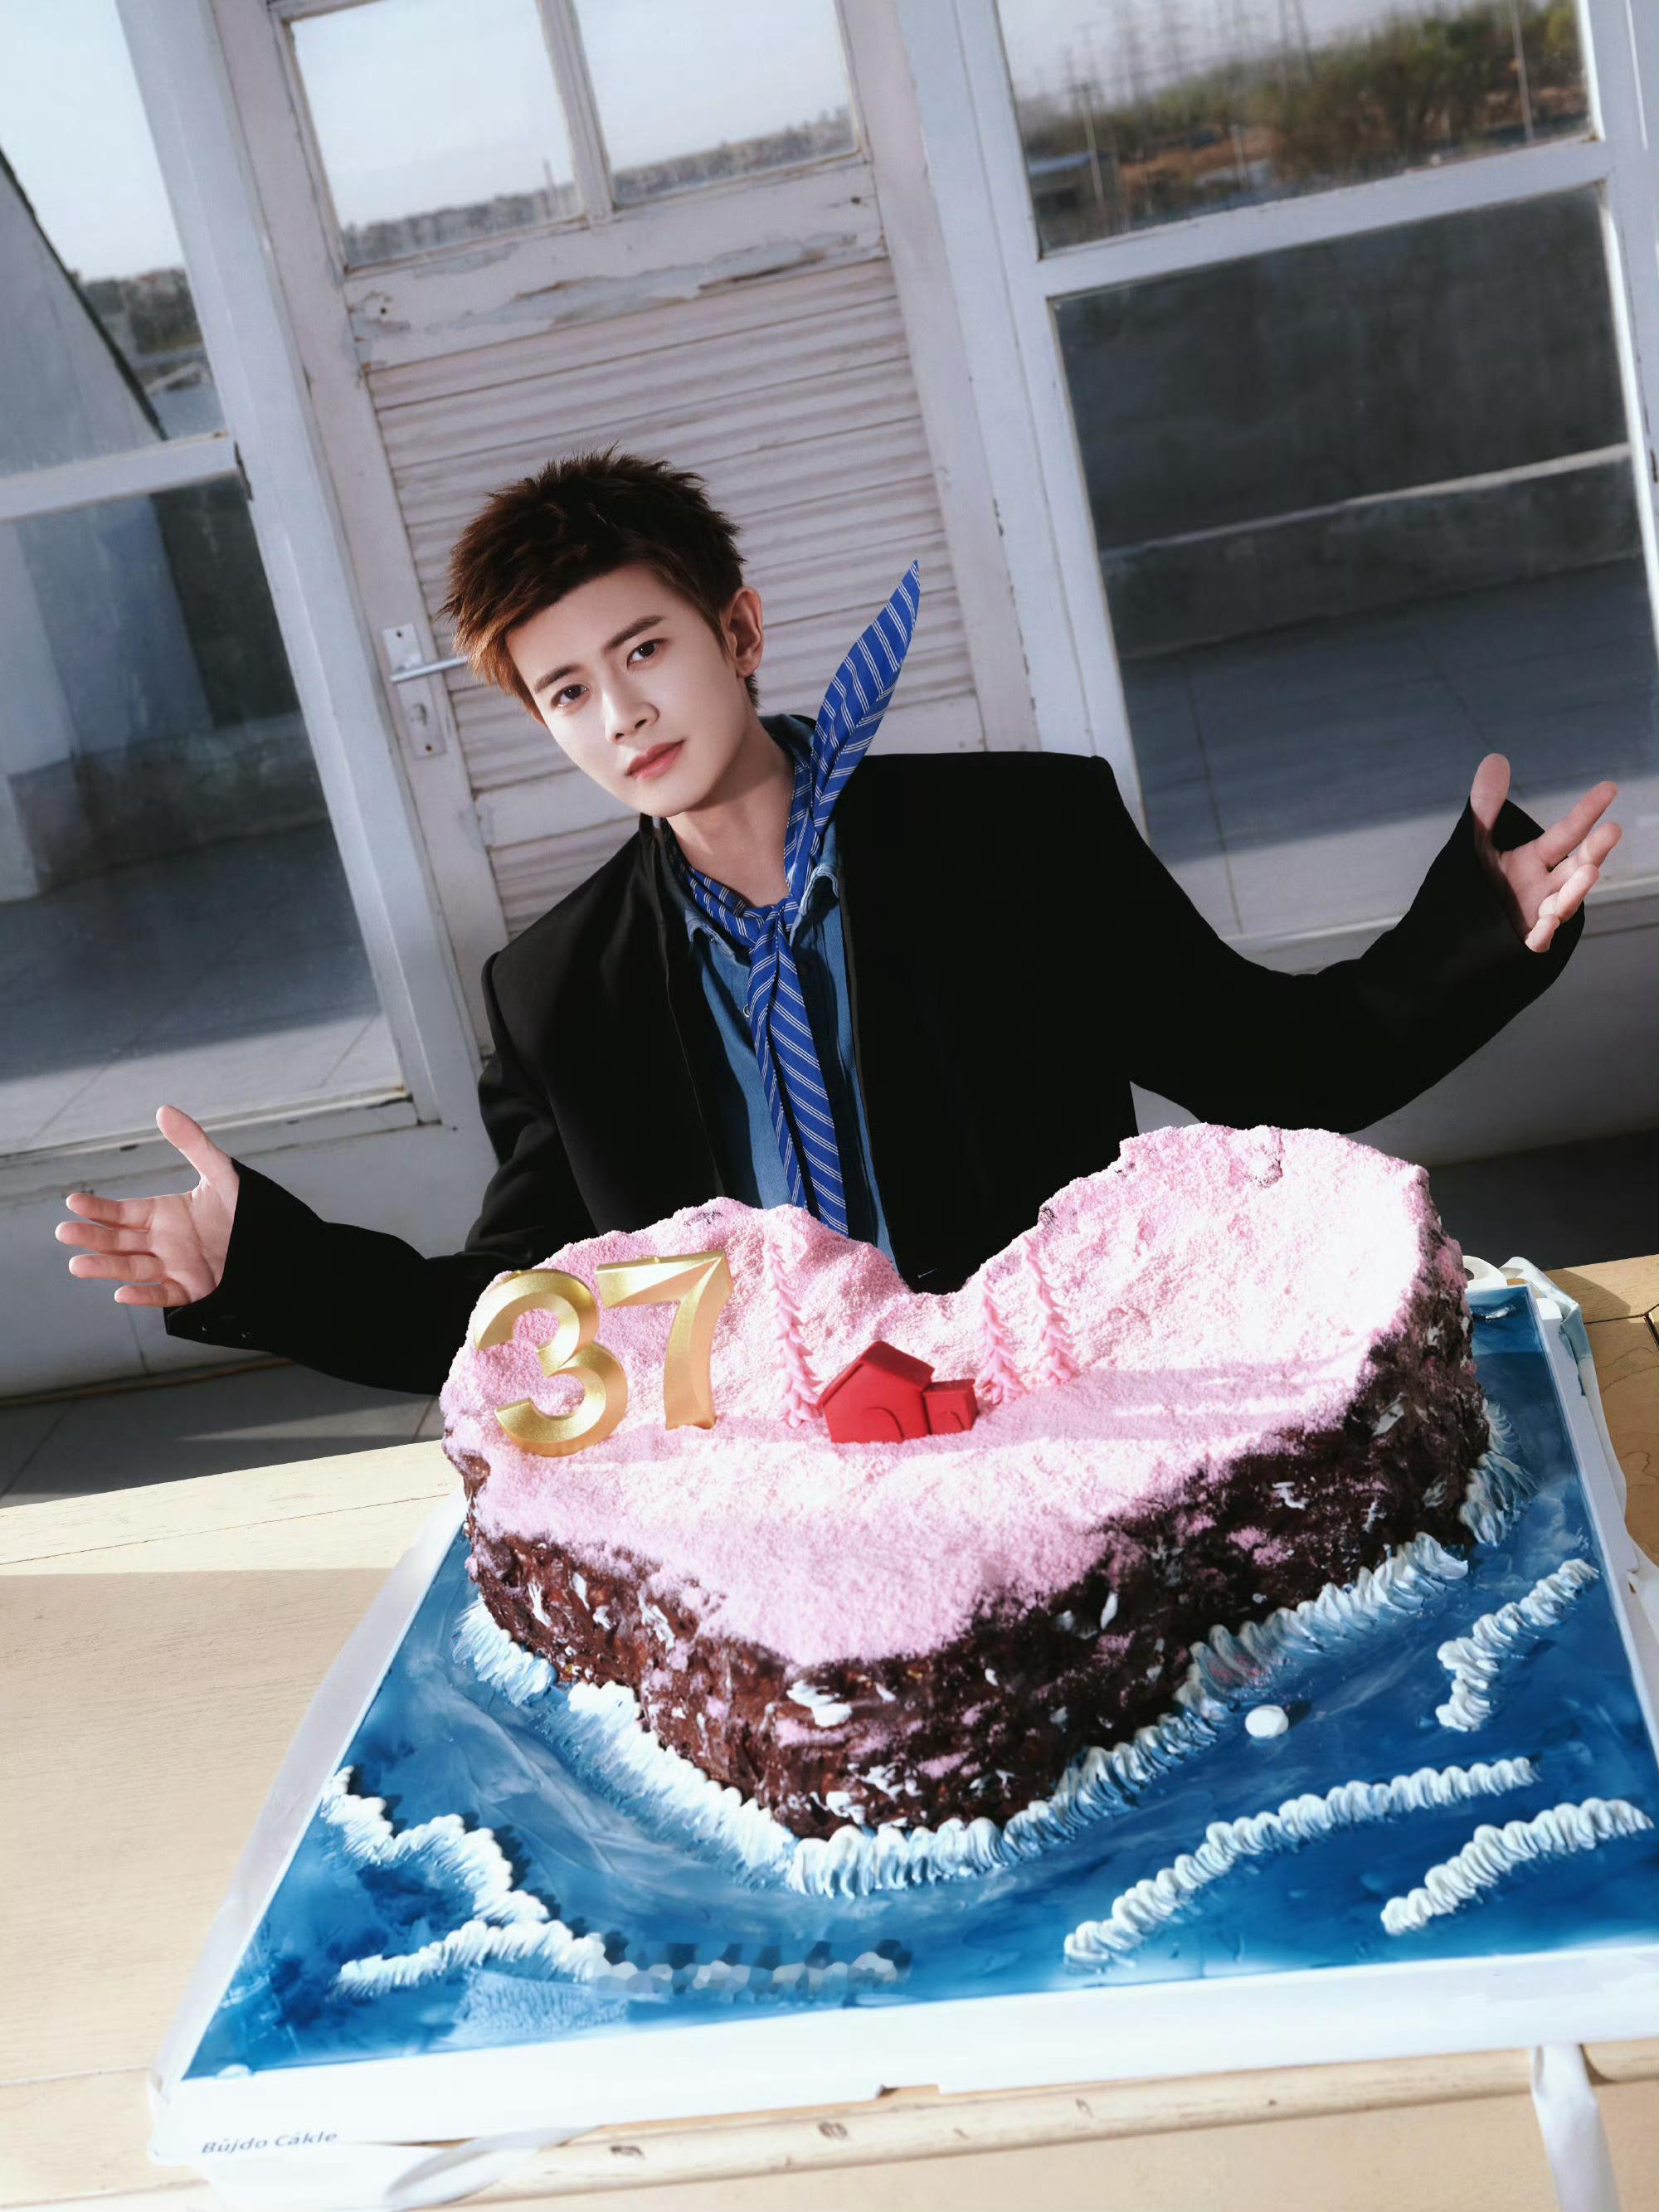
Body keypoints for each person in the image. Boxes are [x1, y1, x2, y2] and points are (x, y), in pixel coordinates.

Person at [54, 449, 1622, 1397]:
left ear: (738, 630)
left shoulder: (1022, 840)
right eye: (568, 692)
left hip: (1064, 1407)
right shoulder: (555, 994)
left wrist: (1478, 929)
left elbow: (1278, 1065)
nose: (622, 713)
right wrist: (259, 1268)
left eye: (645, 649)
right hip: (794, 1486)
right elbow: (529, 1318)